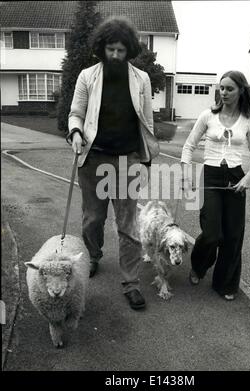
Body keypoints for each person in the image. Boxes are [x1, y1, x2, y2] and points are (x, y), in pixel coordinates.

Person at [67, 17, 159, 310]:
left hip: (128, 159)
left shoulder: (141, 79)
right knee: (92, 218)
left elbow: (147, 122)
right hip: (93, 159)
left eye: (121, 50)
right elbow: (75, 113)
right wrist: (76, 132)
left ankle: (131, 283)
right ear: (102, 48)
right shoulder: (87, 76)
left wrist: (145, 160)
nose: (116, 55)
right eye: (111, 49)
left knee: (128, 225)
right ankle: (93, 256)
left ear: (129, 50)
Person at [181, 70, 250, 301]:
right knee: (211, 233)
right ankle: (198, 266)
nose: (224, 92)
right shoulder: (208, 115)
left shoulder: (249, 120)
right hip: (211, 175)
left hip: (237, 177)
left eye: (229, 88)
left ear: (240, 91)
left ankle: (225, 284)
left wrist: (248, 177)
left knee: (233, 235)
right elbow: (189, 147)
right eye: (222, 88)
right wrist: (186, 175)